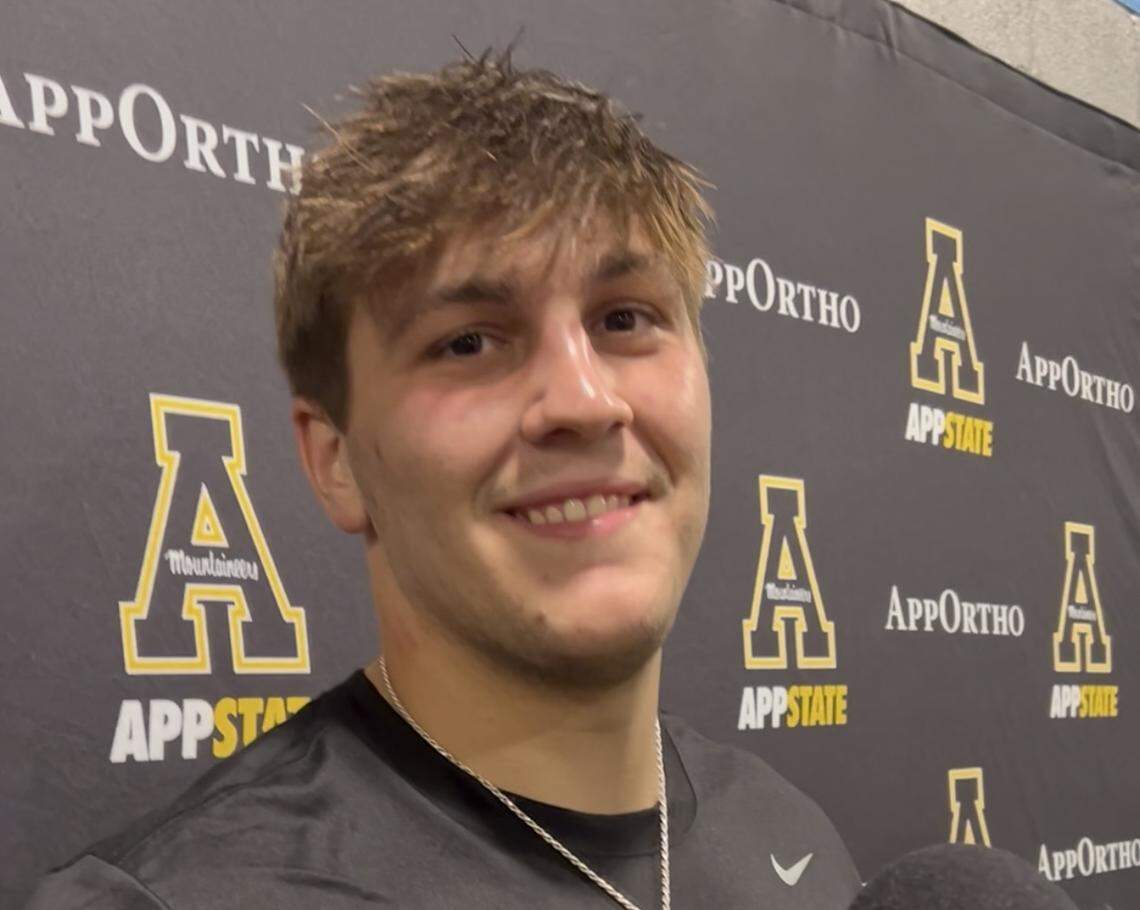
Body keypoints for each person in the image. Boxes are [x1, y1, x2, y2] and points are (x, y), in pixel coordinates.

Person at [27, 51, 860, 909]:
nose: (582, 399)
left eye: (625, 319)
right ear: (336, 460)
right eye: (469, 341)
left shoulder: (786, 831)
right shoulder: (192, 898)